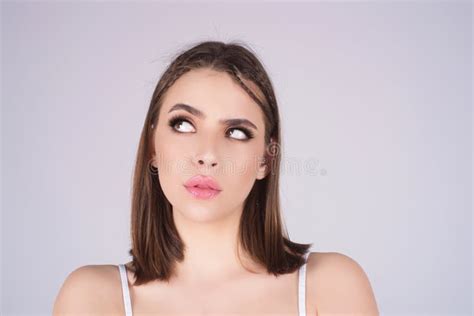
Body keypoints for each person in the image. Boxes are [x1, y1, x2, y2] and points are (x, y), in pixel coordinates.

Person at [53, 40, 379, 315]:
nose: (207, 154)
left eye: (236, 132)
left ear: (266, 159)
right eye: (183, 124)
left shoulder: (332, 287)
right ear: (153, 146)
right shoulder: (93, 299)